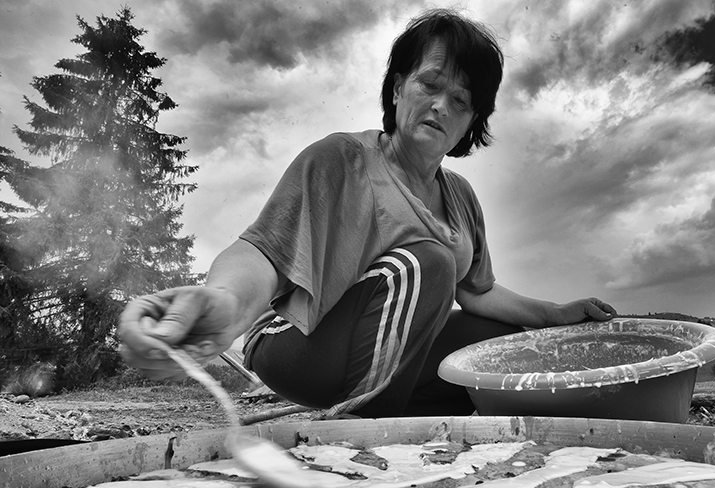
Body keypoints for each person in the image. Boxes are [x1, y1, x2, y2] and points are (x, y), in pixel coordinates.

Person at [118, 9, 617, 417]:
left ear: (470, 122)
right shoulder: (343, 160)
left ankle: (412, 412)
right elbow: (263, 253)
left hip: (382, 351)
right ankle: (366, 424)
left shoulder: (461, 197)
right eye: (429, 84)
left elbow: (476, 292)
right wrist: (223, 303)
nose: (441, 106)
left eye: (461, 100)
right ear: (398, 88)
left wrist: (554, 315)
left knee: (496, 343)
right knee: (426, 262)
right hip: (297, 343)